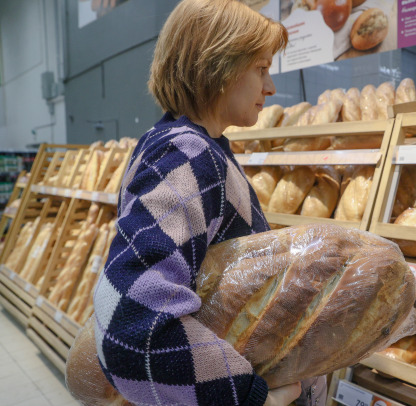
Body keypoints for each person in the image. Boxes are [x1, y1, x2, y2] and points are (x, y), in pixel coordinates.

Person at [92, 1, 325, 404]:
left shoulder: (203, 149)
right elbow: (130, 326)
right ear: (221, 66)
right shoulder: (185, 152)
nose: (269, 88)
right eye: (261, 69)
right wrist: (247, 398)